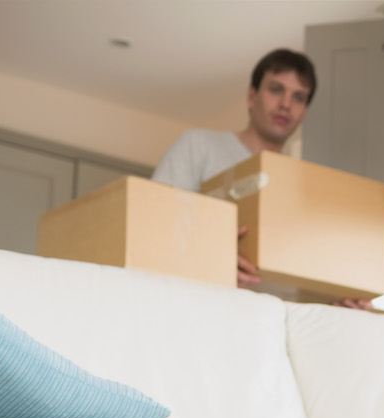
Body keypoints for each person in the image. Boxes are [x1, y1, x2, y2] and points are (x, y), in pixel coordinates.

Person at [152, 50, 371, 309]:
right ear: (251, 95)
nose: (286, 105)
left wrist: (338, 302)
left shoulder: (308, 189)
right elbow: (153, 227)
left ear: (304, 112)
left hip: (273, 330)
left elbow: (306, 278)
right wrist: (210, 254)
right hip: (200, 311)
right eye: (276, 90)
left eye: (298, 97)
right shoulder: (198, 147)